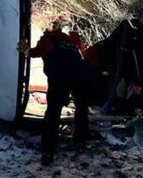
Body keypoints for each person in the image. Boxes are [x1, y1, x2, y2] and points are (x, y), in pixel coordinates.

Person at [18, 17, 91, 166]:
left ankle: (48, 151)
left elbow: (37, 52)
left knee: (52, 112)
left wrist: (25, 50)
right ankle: (80, 143)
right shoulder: (69, 41)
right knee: (81, 109)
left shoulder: (48, 39)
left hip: (60, 77)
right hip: (81, 75)